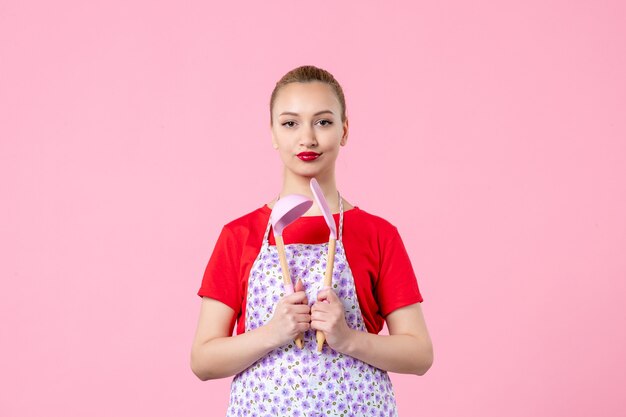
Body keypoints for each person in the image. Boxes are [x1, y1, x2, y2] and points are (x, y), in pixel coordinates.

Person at [190, 65, 433, 416]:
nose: (308, 138)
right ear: (272, 133)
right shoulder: (238, 236)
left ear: (344, 130)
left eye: (323, 121)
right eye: (290, 123)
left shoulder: (378, 234)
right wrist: (273, 333)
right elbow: (202, 360)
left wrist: (348, 338)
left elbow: (420, 355)